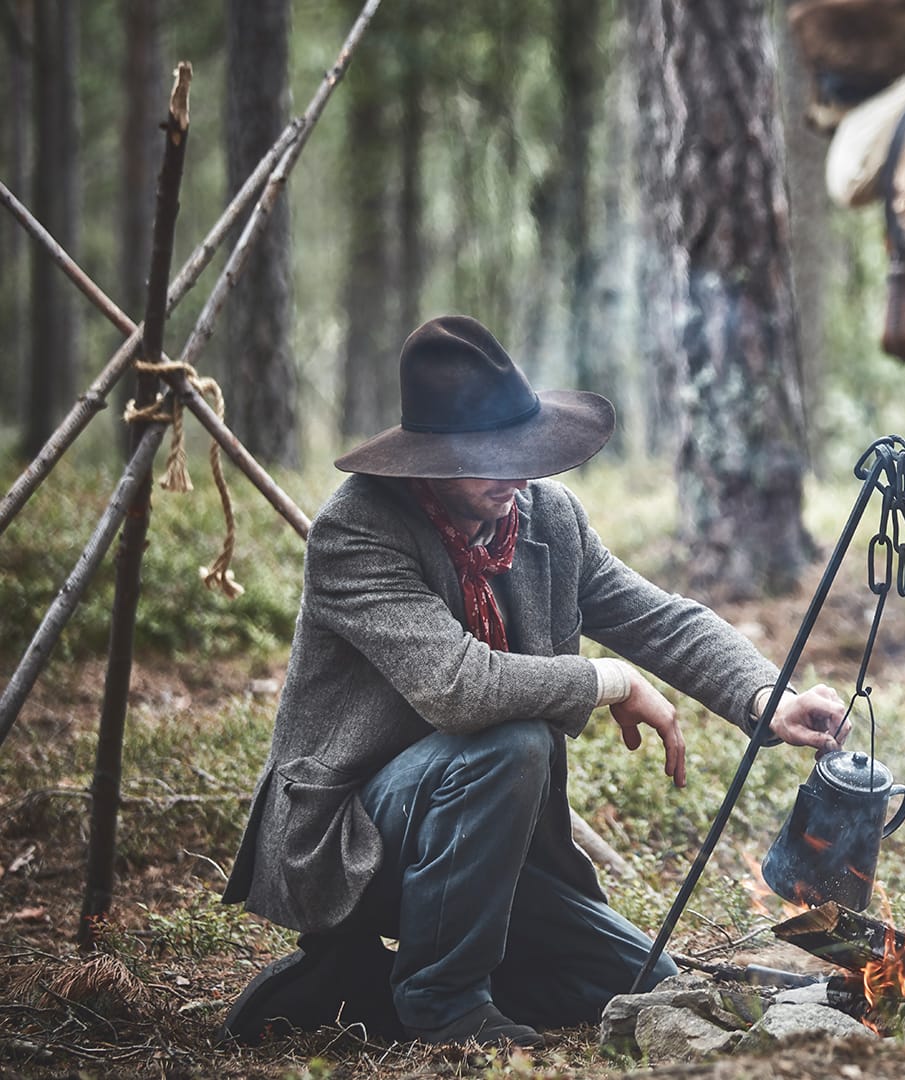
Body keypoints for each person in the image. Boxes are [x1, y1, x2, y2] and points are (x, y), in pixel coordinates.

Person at [219, 316, 847, 1048]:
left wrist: (768, 698)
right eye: (490, 457)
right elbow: (457, 689)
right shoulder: (356, 530)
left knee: (644, 983)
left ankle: (350, 989)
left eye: (523, 452)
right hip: (356, 835)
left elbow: (659, 619)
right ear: (427, 458)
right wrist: (608, 680)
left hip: (487, 850)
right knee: (512, 741)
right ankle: (443, 1006)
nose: (517, 475)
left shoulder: (546, 517)